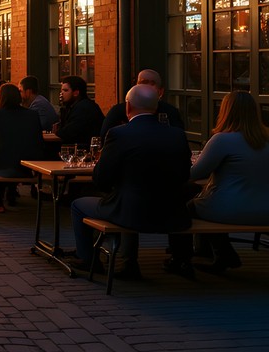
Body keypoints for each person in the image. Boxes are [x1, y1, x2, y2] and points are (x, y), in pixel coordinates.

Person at [69, 84, 192, 277]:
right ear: (156, 107)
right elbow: (184, 174)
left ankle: (88, 259)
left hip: (131, 212)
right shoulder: (177, 135)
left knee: (79, 205)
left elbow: (100, 179)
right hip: (171, 213)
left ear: (128, 106)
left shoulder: (119, 134)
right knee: (126, 199)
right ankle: (135, 262)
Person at [188, 90, 269, 272]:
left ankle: (194, 256)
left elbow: (196, 173)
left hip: (231, 209)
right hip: (265, 209)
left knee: (189, 207)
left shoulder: (222, 140)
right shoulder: (266, 140)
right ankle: (214, 253)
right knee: (205, 202)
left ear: (226, 111)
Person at [0, 83, 45, 211]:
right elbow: (38, 137)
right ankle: (11, 194)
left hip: (1, 167)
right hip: (27, 168)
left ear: (0, 97)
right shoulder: (32, 115)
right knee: (11, 154)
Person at [99, 69, 184, 139]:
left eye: (152, 84)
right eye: (143, 83)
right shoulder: (118, 111)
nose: (146, 87)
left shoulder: (171, 112)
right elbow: (104, 140)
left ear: (160, 92)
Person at [54, 75, 103, 147]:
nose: (62, 93)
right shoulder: (75, 106)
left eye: (65, 90)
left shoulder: (84, 108)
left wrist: (57, 131)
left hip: (84, 149)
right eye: (61, 90)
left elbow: (67, 133)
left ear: (76, 93)